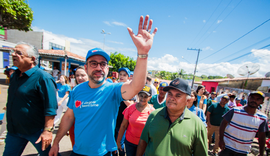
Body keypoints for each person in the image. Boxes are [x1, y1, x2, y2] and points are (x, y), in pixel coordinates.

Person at [49, 15, 158, 156]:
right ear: (86, 67)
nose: (99, 67)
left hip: (104, 153)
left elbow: (136, 86)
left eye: (103, 64)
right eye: (94, 63)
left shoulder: (113, 90)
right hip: (77, 152)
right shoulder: (77, 90)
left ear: (107, 69)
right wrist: (56, 142)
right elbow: (69, 117)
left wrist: (143, 53)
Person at [3, 42, 58, 156]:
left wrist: (47, 131)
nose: (13, 55)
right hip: (14, 131)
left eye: (19, 53)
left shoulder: (43, 78)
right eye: (13, 51)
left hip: (36, 131)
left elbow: (50, 106)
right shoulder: (14, 76)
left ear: (32, 59)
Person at [136, 78, 208, 156]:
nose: (171, 98)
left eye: (178, 95)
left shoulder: (197, 125)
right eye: (170, 94)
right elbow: (143, 141)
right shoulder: (154, 115)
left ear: (187, 100)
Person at [219, 91, 269, 156]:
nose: (254, 100)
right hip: (227, 146)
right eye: (252, 98)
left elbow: (262, 136)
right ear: (248, 98)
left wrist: (261, 153)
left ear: (262, 102)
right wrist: (221, 140)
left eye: (258, 99)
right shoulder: (235, 111)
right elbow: (223, 124)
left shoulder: (262, 118)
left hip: (243, 150)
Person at [117, 85, 155, 156]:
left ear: (150, 98)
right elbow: (123, 125)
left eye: (145, 97)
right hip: (129, 142)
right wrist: (118, 141)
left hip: (143, 144)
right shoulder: (130, 108)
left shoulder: (152, 112)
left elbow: (152, 132)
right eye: (141, 95)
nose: (142, 98)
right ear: (138, 95)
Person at [114, 67, 136, 156]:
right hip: (113, 120)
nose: (122, 77)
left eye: (124, 75)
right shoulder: (114, 87)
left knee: (120, 144)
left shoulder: (130, 89)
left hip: (123, 122)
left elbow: (132, 105)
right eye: (120, 74)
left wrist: (121, 94)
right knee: (113, 143)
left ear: (128, 77)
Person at [69, 66, 88, 147]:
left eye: (82, 75)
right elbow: (69, 112)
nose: (79, 78)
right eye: (77, 75)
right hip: (74, 124)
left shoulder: (96, 90)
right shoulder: (74, 91)